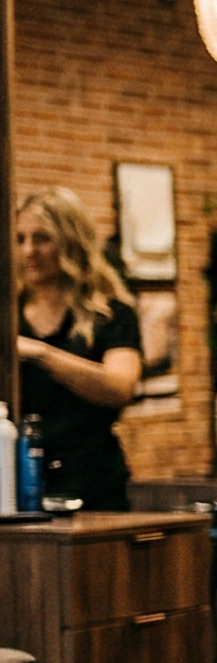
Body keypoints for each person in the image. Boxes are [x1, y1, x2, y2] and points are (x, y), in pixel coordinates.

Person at [14, 188, 142, 509]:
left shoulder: (110, 315)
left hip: (93, 484)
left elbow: (120, 387)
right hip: (19, 484)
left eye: (42, 238)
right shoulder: (7, 316)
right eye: (20, 239)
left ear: (71, 241)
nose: (29, 250)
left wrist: (42, 354)